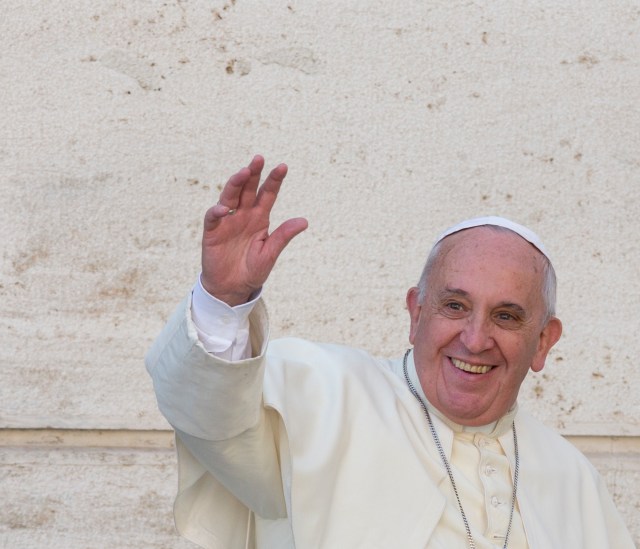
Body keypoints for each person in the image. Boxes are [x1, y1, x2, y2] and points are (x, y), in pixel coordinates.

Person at [146, 155, 635, 548]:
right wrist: (225, 299)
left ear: (543, 342)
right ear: (416, 313)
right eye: (454, 306)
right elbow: (212, 417)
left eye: (506, 316)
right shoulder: (320, 394)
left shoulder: (575, 482)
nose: (475, 339)